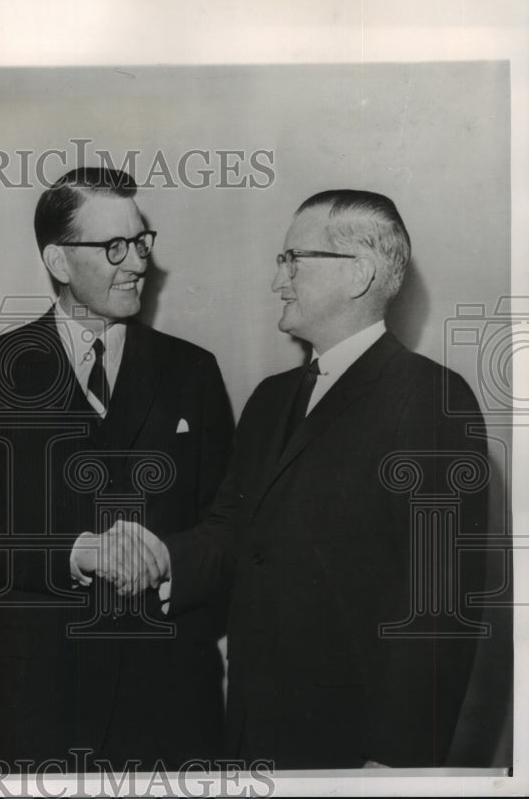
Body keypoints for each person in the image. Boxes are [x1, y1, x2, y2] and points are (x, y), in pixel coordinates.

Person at [165, 189, 489, 768]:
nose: (277, 281)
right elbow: (233, 530)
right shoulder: (270, 399)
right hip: (253, 734)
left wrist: (397, 763)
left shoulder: (431, 399)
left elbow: (438, 604)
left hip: (355, 750)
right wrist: (163, 559)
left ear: (358, 273)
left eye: (292, 260)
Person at [0, 167, 234, 772]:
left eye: (141, 242)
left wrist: (166, 560)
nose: (137, 264)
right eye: (113, 248)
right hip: (40, 706)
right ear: (57, 261)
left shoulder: (193, 372)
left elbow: (228, 523)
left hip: (171, 704)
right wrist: (76, 551)